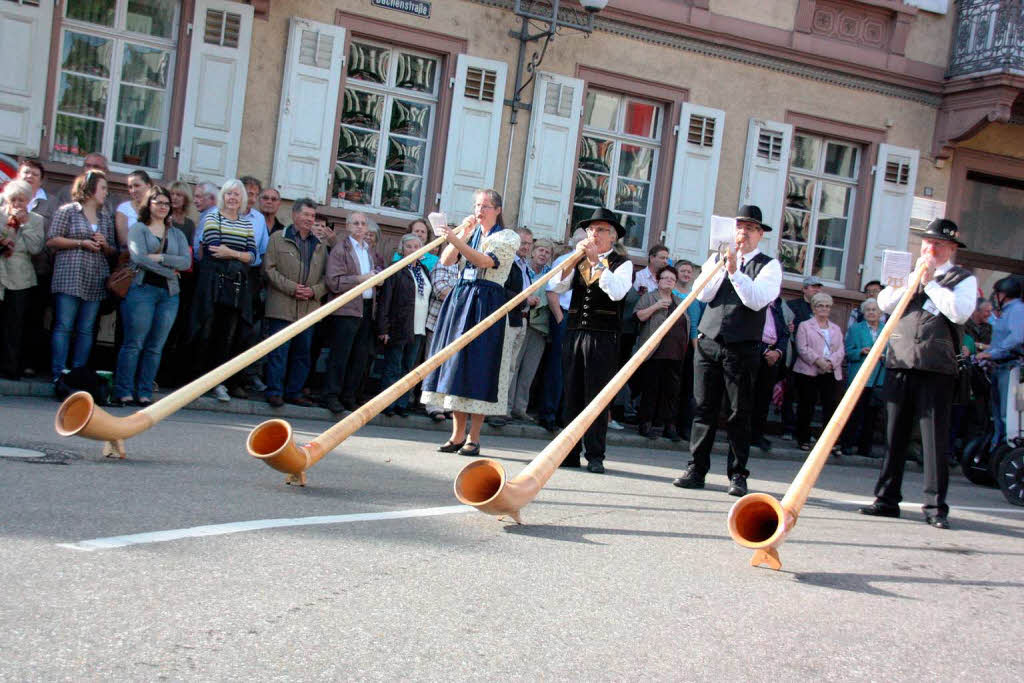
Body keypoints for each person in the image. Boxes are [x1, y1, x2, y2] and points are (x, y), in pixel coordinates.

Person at [859, 218, 977, 529]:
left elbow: (959, 312)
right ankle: (886, 499)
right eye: (927, 243)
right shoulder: (908, 274)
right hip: (900, 363)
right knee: (893, 436)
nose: (930, 248)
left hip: (936, 368)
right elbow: (884, 302)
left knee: (933, 441)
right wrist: (913, 280)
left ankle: (935, 507)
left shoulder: (961, 279)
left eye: (937, 244)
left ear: (950, 249)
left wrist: (931, 283)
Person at [672, 205, 782, 496]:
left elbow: (756, 300)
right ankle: (696, 468)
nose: (742, 233)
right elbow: (703, 293)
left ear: (759, 234)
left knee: (738, 412)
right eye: (739, 227)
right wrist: (721, 265)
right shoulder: (716, 258)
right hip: (709, 340)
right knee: (703, 407)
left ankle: (737, 474)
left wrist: (734, 270)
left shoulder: (769, 266)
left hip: (742, 346)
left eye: (749, 228)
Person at [421, 189, 520, 456]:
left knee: (478, 366)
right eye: (477, 205)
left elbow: (485, 261)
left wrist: (457, 238)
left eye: (486, 206)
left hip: (486, 299)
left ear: (498, 210)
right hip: (462, 297)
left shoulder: (507, 237)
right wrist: (461, 234)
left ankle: (473, 438)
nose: (480, 210)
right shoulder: (472, 233)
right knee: (456, 364)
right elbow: (446, 259)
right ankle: (456, 435)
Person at [548, 208, 633, 473]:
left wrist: (597, 263)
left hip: (603, 337)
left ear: (613, 236)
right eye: (591, 229)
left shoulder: (622, 263)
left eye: (601, 230)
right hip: (575, 332)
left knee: (597, 396)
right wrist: (573, 260)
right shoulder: (577, 259)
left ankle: (595, 455)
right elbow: (556, 286)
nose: (595, 234)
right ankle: (569, 453)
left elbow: (618, 293)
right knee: (571, 392)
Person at [112, 187, 191, 406]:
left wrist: (160, 257)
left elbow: (186, 262)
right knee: (134, 343)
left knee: (156, 346)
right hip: (141, 290)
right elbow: (138, 259)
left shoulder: (177, 233)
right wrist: (168, 269)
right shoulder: (138, 228)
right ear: (149, 204)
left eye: (167, 203)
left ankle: (145, 391)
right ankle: (123, 390)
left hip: (169, 295)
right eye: (159, 202)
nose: (164, 207)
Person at [188, 179, 256, 402]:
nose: (233, 198)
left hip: (234, 288)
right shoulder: (212, 217)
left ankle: (218, 383)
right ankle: (197, 383)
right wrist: (239, 254)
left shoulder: (247, 223)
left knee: (226, 337)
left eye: (237, 194)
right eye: (229, 194)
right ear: (222, 196)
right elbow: (214, 249)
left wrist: (233, 253)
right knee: (205, 331)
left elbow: (253, 256)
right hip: (211, 284)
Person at [46, 171, 117, 381]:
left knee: (86, 329)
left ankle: (78, 374)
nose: (106, 192)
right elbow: (51, 240)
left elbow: (113, 251)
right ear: (90, 188)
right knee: (64, 326)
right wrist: (80, 243)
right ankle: (59, 373)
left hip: (94, 277)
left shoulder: (105, 217)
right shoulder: (68, 211)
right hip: (70, 274)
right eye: (103, 188)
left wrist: (104, 245)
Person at [262, 198, 328, 407]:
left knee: (303, 353)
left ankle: (294, 391)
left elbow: (327, 278)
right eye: (306, 215)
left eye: (312, 216)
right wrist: (292, 288)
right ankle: (274, 391)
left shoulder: (319, 245)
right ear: (294, 215)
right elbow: (269, 269)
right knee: (278, 352)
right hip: (281, 306)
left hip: (308, 309)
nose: (310, 219)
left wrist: (313, 291)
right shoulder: (277, 239)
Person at [324, 211, 379, 413]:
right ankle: (331, 395)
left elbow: (369, 278)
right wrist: (361, 279)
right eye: (355, 223)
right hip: (346, 309)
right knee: (341, 355)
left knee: (359, 356)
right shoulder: (341, 249)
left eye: (363, 224)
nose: (359, 227)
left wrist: (375, 280)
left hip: (365, 308)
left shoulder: (368, 250)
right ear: (347, 226)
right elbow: (333, 281)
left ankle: (349, 396)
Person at [377, 233, 432, 417]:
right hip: (399, 326)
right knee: (393, 366)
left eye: (417, 246)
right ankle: (387, 405)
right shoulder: (396, 269)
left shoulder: (424, 270)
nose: (413, 250)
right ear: (402, 249)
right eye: (409, 246)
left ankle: (402, 404)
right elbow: (385, 300)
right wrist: (383, 328)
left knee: (408, 368)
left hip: (419, 327)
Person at [537, 228, 586, 432]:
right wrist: (559, 318)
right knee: (557, 368)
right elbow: (552, 290)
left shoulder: (594, 264)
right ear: (574, 242)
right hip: (565, 316)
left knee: (574, 370)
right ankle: (548, 414)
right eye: (582, 240)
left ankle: (564, 416)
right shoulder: (564, 260)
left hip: (582, 320)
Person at [633, 265, 689, 441]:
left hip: (676, 353)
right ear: (658, 281)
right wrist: (656, 306)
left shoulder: (679, 301)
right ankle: (646, 424)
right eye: (665, 278)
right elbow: (639, 316)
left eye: (672, 279)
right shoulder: (650, 297)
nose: (669, 281)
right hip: (655, 352)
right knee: (651, 389)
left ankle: (668, 426)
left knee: (671, 392)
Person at [488, 227, 534, 427]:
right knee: (502, 365)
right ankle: (494, 410)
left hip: (522, 320)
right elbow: (501, 291)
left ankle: (503, 409)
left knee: (511, 366)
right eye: (522, 243)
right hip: (508, 318)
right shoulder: (508, 264)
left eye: (528, 243)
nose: (525, 247)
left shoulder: (525, 266)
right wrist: (524, 300)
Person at [0, 180, 45, 379]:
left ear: (28, 201)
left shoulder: (36, 219)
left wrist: (24, 225)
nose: (17, 204)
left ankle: (11, 367)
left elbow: (36, 248)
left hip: (21, 276)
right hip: (1, 270)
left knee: (15, 323)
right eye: (13, 200)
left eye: (21, 200)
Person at [792, 292, 844, 452]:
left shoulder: (836, 328)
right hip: (808, 371)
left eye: (827, 306)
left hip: (830, 371)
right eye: (820, 305)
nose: (824, 309)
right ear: (814, 308)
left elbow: (841, 350)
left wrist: (830, 363)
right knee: (806, 406)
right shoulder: (805, 325)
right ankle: (803, 439)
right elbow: (802, 347)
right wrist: (818, 361)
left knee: (831, 407)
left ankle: (829, 442)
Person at [508, 237, 553, 421]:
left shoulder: (551, 274)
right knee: (514, 365)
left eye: (547, 252)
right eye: (540, 250)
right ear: (533, 252)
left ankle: (520, 408)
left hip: (540, 328)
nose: (543, 254)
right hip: (521, 320)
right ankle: (507, 407)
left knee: (529, 370)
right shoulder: (523, 269)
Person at [977, 276, 1023, 449]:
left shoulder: (1017, 309)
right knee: (996, 415)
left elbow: (1018, 337)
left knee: (1007, 414)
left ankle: (1008, 450)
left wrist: (992, 354)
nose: (995, 297)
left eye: (997, 294)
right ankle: (998, 450)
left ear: (1004, 294)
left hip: (1010, 369)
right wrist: (987, 354)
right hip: (1000, 368)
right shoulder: (1008, 311)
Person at [840, 298, 886, 456]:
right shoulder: (856, 329)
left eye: (875, 310)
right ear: (863, 313)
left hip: (878, 377)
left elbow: (893, 353)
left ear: (880, 313)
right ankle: (847, 444)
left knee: (871, 416)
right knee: (854, 413)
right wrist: (860, 351)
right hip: (860, 376)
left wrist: (884, 356)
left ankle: (865, 448)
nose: (872, 312)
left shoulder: (887, 329)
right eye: (868, 310)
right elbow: (848, 351)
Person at [750, 295, 790, 452]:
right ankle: (743, 434)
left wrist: (778, 352)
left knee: (763, 398)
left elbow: (785, 332)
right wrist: (765, 351)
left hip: (773, 358)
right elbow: (746, 330)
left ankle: (757, 434)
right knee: (747, 396)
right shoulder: (753, 302)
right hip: (754, 354)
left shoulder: (777, 306)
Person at [424, 259, 459, 422]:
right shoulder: (444, 263)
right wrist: (463, 295)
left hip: (457, 326)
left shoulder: (469, 265)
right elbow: (440, 290)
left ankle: (446, 405)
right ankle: (432, 405)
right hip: (438, 323)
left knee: (451, 367)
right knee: (433, 365)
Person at [115, 170, 153, 248]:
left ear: (148, 186)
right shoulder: (124, 208)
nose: (133, 190)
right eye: (130, 187)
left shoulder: (156, 207)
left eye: (137, 185)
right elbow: (123, 241)